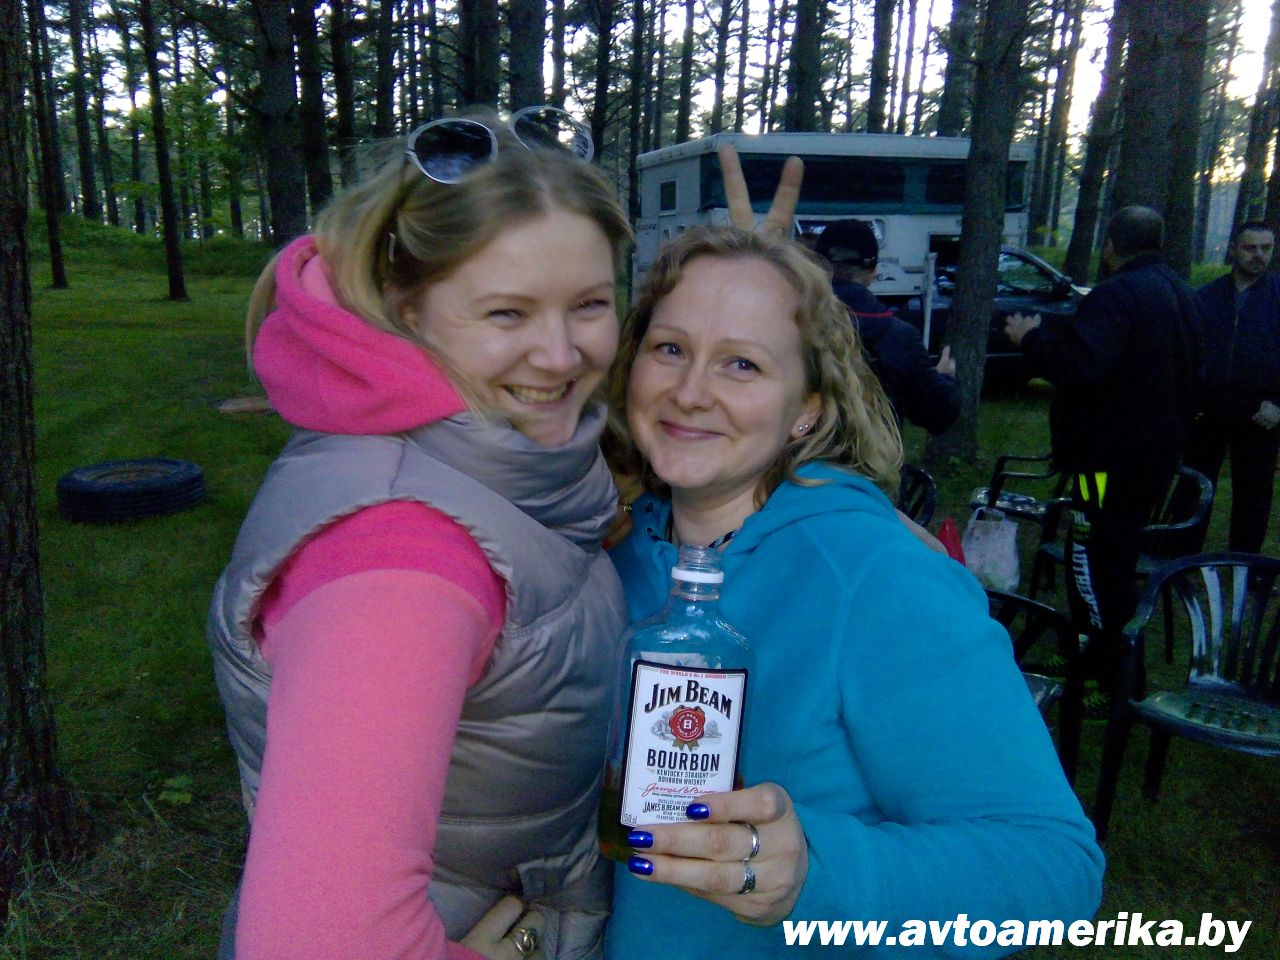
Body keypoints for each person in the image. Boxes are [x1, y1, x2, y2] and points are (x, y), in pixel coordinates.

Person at [603, 225, 1104, 957]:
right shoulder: (611, 554)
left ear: (806, 406)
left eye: (742, 363)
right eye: (670, 349)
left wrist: (815, 871)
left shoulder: (878, 576)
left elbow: (1052, 868)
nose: (690, 392)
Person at [207, 107, 634, 960]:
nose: (561, 355)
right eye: (507, 314)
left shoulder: (483, 468)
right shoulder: (403, 559)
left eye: (588, 305)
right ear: (407, 310)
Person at [1004, 205, 1202, 684]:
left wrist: (1031, 340)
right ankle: (1090, 651)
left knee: (1093, 553)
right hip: (1153, 456)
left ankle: (1104, 671)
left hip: (1105, 463)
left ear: (1111, 246)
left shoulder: (1117, 295)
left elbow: (1083, 367)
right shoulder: (1180, 292)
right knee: (1114, 550)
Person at [1185, 220, 1280, 553]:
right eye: (1250, 247)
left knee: (1254, 492)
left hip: (1260, 412)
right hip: (1208, 408)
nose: (1259, 255)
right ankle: (1179, 555)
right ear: (1234, 250)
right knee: (1194, 485)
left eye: (1266, 248)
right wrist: (1191, 398)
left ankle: (1245, 564)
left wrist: (1278, 403)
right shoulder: (1206, 297)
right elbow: (1188, 352)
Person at [814, 217, 959, 434]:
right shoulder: (900, 337)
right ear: (872, 272)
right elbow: (938, 415)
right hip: (873, 452)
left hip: (796, 452)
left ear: (816, 267)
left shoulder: (790, 324)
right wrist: (944, 379)